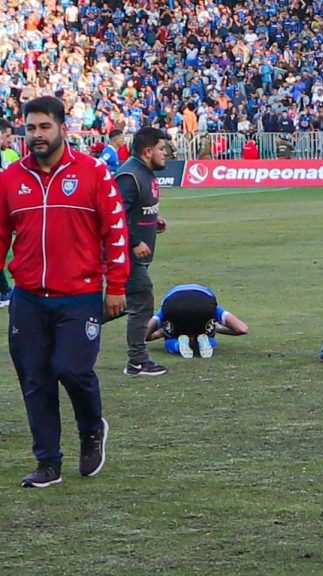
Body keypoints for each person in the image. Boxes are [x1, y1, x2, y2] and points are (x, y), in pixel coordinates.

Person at [0, 96, 129, 487]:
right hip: (28, 297)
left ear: (62, 128)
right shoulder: (9, 178)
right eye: (31, 128)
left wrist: (117, 287)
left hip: (81, 294)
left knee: (72, 370)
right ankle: (48, 464)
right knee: (35, 380)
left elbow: (116, 231)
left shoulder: (93, 172)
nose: (36, 135)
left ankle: (92, 430)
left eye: (44, 127)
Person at [115, 127, 170, 377]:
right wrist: (135, 241)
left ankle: (70, 328)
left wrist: (154, 220)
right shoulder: (129, 175)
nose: (165, 153)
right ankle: (137, 361)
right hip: (125, 254)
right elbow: (116, 215)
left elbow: (138, 209)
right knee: (142, 298)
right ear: (148, 151)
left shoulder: (145, 173)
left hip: (137, 254)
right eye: (161, 149)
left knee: (117, 305)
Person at [145, 284, 249, 359]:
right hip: (204, 305)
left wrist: (152, 335)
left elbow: (152, 324)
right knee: (208, 335)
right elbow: (242, 329)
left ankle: (177, 345)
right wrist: (217, 329)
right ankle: (206, 342)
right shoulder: (213, 306)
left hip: (173, 306)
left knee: (170, 339)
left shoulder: (167, 304)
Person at [0, 118, 19, 307]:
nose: (9, 140)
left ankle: (4, 290)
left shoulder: (10, 154)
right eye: (6, 136)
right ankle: (4, 291)